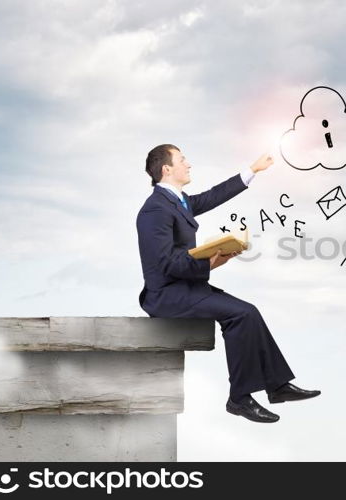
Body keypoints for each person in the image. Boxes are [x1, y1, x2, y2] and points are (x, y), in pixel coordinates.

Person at [136, 144, 320, 423]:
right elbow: (166, 263)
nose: (189, 164)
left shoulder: (177, 200)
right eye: (183, 160)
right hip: (167, 296)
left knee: (250, 312)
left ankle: (277, 386)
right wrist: (209, 262)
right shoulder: (155, 210)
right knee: (241, 314)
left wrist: (252, 170)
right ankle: (239, 399)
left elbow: (211, 197)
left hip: (186, 288)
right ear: (167, 169)